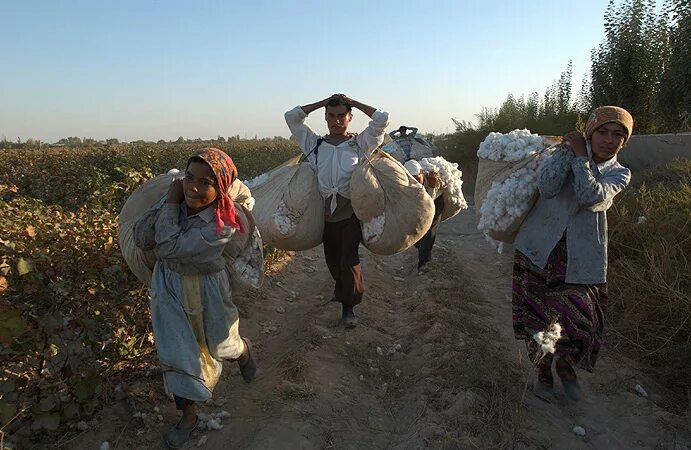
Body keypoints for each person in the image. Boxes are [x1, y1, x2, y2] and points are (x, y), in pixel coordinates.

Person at [133, 148, 257, 448]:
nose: (194, 187)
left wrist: (172, 204)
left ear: (221, 188)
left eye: (205, 182)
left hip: (208, 288)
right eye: (189, 178)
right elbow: (142, 237)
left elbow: (170, 247)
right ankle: (188, 416)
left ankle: (241, 351)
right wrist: (167, 201)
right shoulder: (172, 202)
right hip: (168, 286)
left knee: (221, 343)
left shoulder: (225, 223)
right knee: (176, 350)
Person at [511, 106, 634, 403]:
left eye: (618, 135)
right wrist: (569, 154)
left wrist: (581, 158)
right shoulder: (566, 154)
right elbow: (548, 187)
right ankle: (543, 374)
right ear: (590, 132)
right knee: (538, 319)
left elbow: (589, 196)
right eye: (602, 132)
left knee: (578, 319)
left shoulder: (619, 173)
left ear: (624, 142)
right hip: (540, 249)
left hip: (580, 258)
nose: (609, 140)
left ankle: (565, 365)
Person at [284, 94, 389, 328]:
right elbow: (291, 118)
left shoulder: (359, 145)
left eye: (342, 115)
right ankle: (342, 291)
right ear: (325, 117)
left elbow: (382, 119)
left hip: (350, 213)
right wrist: (323, 102)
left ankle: (349, 307)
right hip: (325, 214)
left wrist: (353, 101)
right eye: (331, 116)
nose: (336, 120)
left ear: (350, 118)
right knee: (332, 259)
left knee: (348, 258)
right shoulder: (315, 145)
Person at [404, 160, 443, 274]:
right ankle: (419, 245)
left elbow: (429, 204)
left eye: (417, 177)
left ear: (422, 173)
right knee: (418, 230)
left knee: (430, 230)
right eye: (412, 178)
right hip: (420, 203)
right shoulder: (407, 183)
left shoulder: (433, 179)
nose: (415, 181)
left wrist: (431, 186)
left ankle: (424, 262)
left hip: (436, 201)